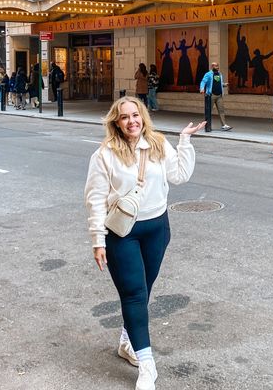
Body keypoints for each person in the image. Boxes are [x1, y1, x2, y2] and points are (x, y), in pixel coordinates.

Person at [84, 97, 205, 390]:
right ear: (116, 122)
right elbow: (96, 199)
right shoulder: (104, 154)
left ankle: (127, 343)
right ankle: (147, 367)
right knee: (135, 294)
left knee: (144, 291)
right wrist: (98, 240)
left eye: (135, 115)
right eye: (124, 117)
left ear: (143, 117)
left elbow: (179, 176)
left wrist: (185, 141)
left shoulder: (159, 144)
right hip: (122, 234)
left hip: (157, 230)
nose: (131, 121)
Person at [200, 62, 232, 132]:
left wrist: (224, 84)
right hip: (211, 95)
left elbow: (218, 83)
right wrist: (202, 88)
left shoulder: (219, 74)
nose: (217, 67)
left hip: (219, 95)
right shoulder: (208, 74)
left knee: (221, 110)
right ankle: (207, 126)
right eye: (215, 66)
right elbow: (203, 81)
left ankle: (224, 125)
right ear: (212, 67)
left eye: (217, 66)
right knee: (209, 111)